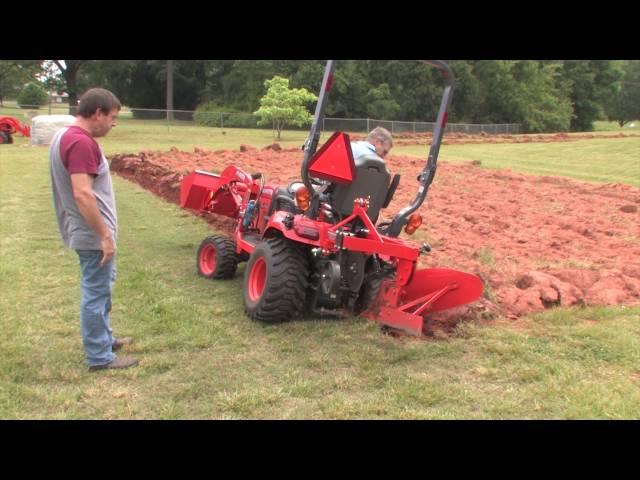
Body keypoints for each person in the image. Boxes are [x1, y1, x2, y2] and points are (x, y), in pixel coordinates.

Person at [49, 88, 138, 371]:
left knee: (101, 289)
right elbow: (83, 194)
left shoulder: (64, 136)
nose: (114, 123)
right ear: (97, 112)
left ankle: (105, 339)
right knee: (96, 292)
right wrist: (104, 235)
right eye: (112, 117)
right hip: (91, 235)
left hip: (85, 231)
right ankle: (100, 357)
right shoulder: (80, 143)